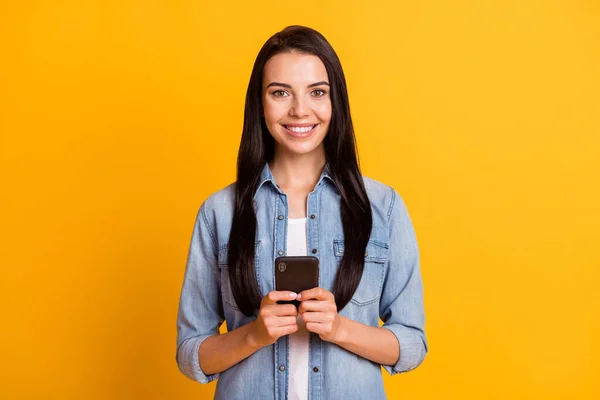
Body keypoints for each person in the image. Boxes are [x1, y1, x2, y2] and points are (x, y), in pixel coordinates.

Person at [176, 25, 427, 400]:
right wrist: (254, 334)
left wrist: (339, 328)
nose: (299, 110)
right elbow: (190, 353)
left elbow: (411, 345)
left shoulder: (383, 207)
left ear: (335, 102)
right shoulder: (219, 213)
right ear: (259, 104)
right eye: (280, 92)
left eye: (317, 92)